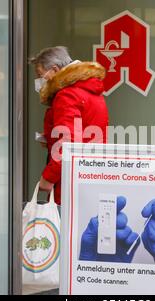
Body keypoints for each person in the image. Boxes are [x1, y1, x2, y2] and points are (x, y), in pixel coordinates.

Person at [30, 47, 109, 205]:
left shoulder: (67, 95)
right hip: (90, 174)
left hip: (69, 179)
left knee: (65, 225)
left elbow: (68, 145)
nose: (39, 81)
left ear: (54, 70)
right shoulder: (91, 91)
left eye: (40, 75)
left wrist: (48, 178)